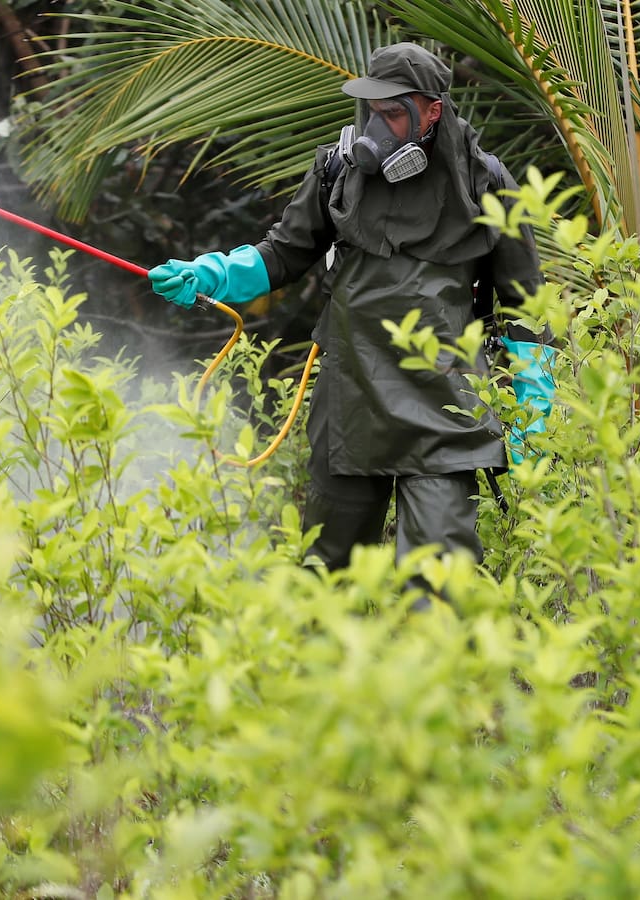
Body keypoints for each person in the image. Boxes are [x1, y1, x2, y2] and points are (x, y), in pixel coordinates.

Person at [148, 42, 554, 580]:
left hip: (445, 412)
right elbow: (283, 253)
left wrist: (534, 417)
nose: (379, 126)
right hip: (352, 402)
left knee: (443, 583)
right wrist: (211, 274)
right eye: (373, 110)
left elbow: (527, 303)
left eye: (394, 113)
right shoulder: (336, 170)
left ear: (432, 110)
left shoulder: (486, 182)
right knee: (323, 578)